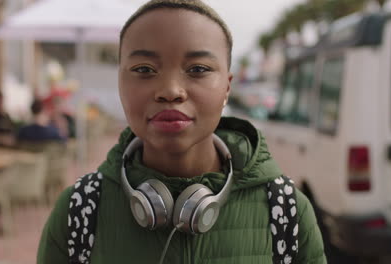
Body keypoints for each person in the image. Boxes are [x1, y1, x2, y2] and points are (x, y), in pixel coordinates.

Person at [37, 1, 326, 263]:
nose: (171, 91)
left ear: (227, 86)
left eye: (198, 68)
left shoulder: (287, 212)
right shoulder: (79, 212)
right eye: (144, 69)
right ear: (120, 83)